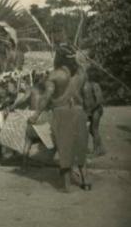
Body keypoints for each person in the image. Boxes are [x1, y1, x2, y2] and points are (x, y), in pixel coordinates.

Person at [28, 43, 91, 192]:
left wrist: (36, 114)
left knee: (65, 148)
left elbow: (46, 96)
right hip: (79, 111)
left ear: (59, 58)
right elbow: (87, 93)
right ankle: (86, 181)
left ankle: (67, 185)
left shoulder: (55, 75)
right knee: (80, 146)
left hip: (61, 113)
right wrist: (86, 112)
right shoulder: (82, 73)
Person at [82, 68, 105, 156]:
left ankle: (96, 150)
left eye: (86, 74)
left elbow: (99, 100)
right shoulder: (84, 85)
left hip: (96, 110)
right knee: (89, 130)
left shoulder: (95, 85)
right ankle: (100, 148)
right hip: (89, 110)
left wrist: (90, 110)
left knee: (94, 129)